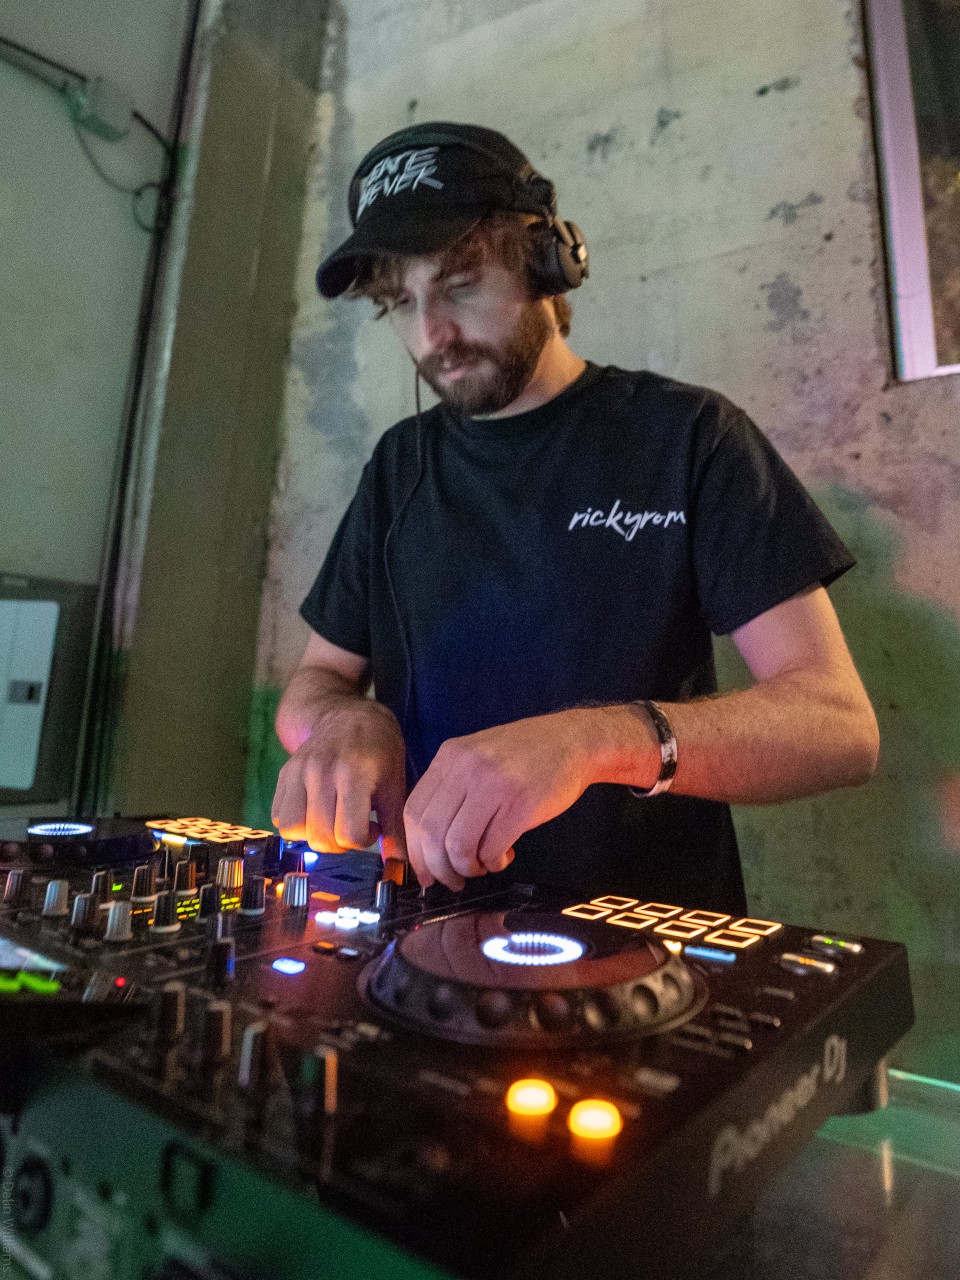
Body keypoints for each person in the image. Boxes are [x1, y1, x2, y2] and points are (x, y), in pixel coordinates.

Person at [271, 122, 879, 914]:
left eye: (460, 285)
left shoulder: (688, 436)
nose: (431, 336)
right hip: (423, 939)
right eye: (400, 303)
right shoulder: (397, 465)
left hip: (645, 947)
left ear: (547, 264)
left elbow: (839, 727)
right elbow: (317, 680)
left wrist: (594, 742)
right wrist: (342, 720)